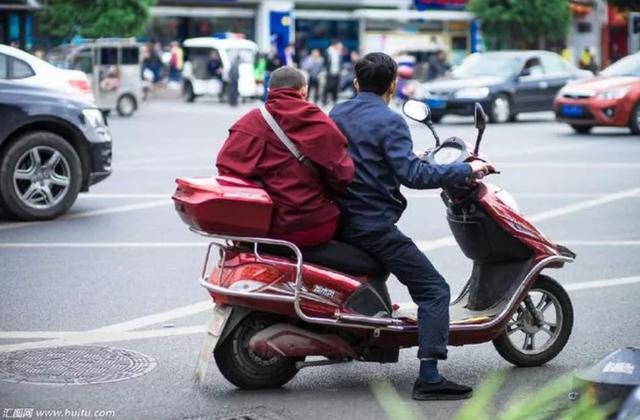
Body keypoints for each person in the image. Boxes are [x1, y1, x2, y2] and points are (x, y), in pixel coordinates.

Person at [329, 52, 494, 401]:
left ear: (357, 82)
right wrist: (467, 170)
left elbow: (364, 159)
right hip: (372, 225)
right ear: (392, 85)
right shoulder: (390, 121)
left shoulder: (338, 113)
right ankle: (430, 376)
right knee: (434, 290)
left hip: (340, 219)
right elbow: (413, 176)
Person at [216, 66, 354, 246]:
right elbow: (343, 176)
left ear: (269, 91)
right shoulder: (317, 120)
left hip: (265, 226)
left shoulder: (250, 122)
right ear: (303, 90)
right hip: (313, 225)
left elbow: (227, 171)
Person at [323, 40, 343, 106]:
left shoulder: (338, 52)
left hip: (337, 72)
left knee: (336, 86)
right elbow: (325, 62)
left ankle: (335, 100)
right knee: (327, 87)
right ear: (335, 45)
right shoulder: (328, 51)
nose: (340, 46)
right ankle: (324, 100)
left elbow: (340, 62)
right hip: (329, 72)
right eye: (339, 45)